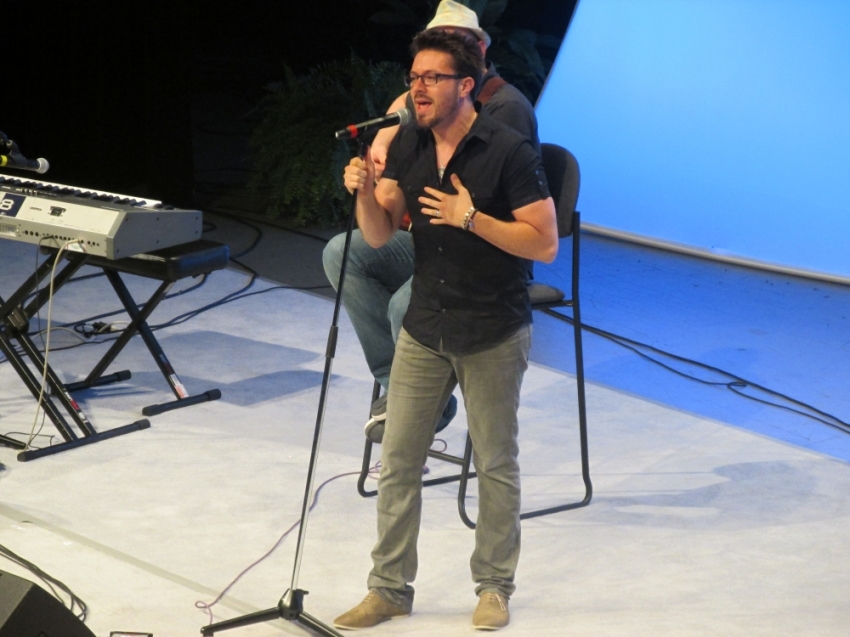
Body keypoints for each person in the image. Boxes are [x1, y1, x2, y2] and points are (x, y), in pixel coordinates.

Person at [332, 29, 557, 631]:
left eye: (432, 77)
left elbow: (545, 243)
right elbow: (379, 234)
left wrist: (471, 217)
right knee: (400, 459)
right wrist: (362, 193)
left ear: (466, 86)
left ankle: (493, 587)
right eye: (413, 77)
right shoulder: (407, 144)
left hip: (491, 326)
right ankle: (388, 588)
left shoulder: (509, 150)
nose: (418, 87)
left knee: (495, 462)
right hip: (426, 321)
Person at [322, 0, 540, 444]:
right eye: (420, 72)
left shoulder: (505, 110)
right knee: (344, 252)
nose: (424, 82)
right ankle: (396, 387)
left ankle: (413, 405)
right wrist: (377, 173)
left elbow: (503, 215)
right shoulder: (423, 101)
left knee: (408, 306)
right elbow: (398, 128)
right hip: (428, 242)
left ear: (475, 56)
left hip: (482, 257)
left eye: (441, 64)